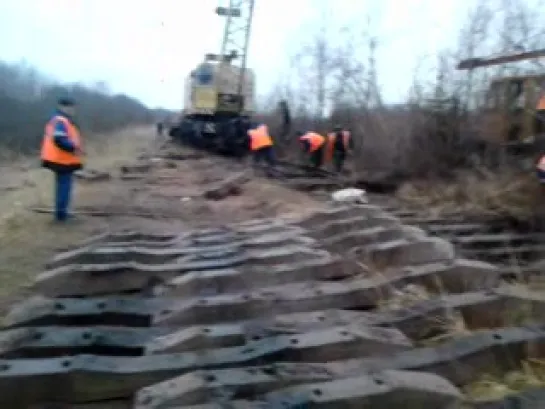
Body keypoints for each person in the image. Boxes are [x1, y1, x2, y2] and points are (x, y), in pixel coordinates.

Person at [40, 97, 83, 223]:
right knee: (64, 187)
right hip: (61, 160)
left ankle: (61, 213)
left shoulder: (58, 119)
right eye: (71, 107)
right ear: (64, 107)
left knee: (62, 187)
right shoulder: (61, 121)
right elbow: (59, 139)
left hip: (58, 159)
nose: (73, 110)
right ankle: (62, 216)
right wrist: (73, 148)